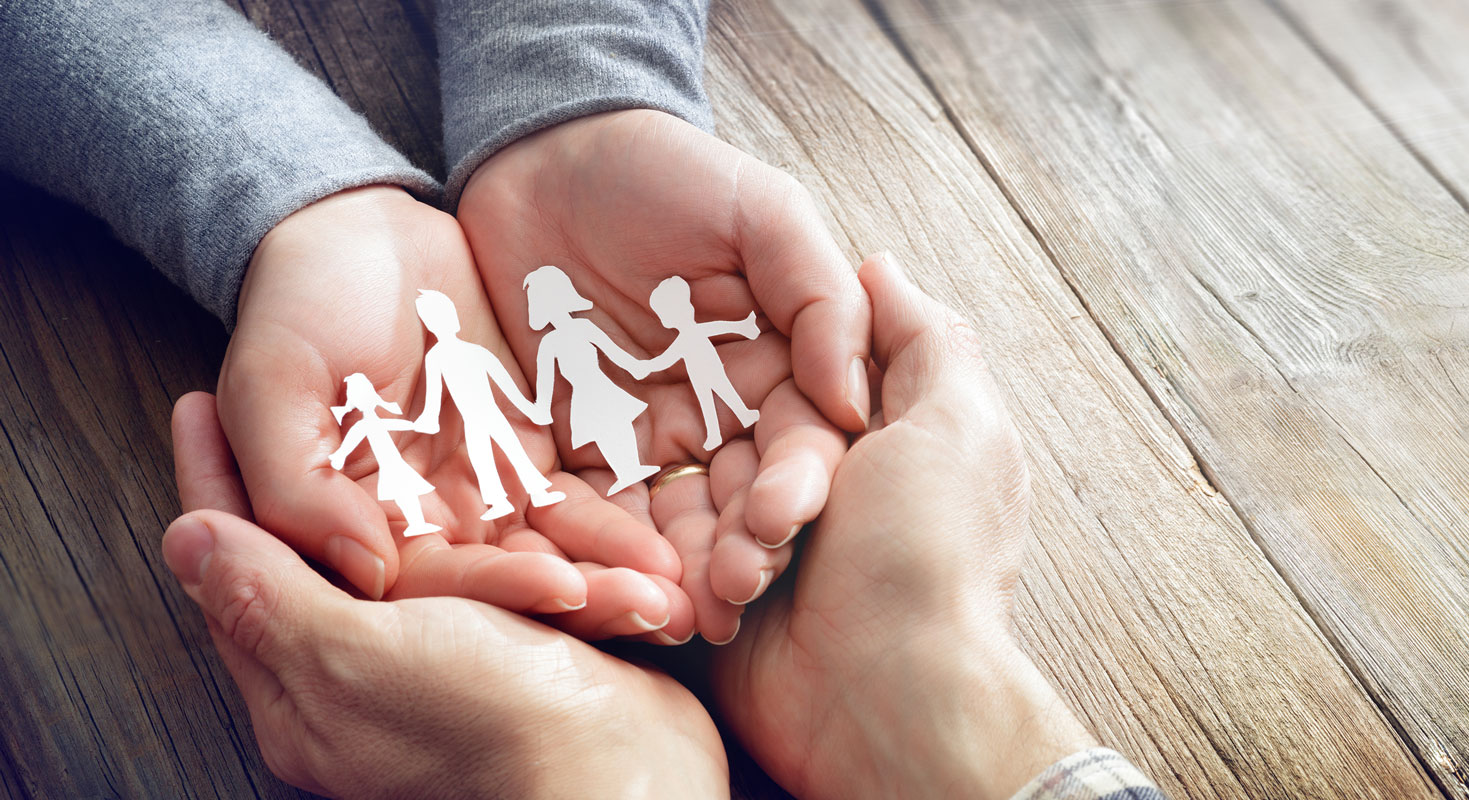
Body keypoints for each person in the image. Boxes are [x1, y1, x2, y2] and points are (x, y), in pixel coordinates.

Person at [4, 0, 1165, 795]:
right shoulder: (514, 357)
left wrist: (570, 87)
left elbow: (572, 372)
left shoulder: (551, 351)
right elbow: (540, 378)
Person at [165, 257, 1162, 799]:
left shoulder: (573, 338)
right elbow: (544, 379)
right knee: (520, 474)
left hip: (584, 435)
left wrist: (587, 763)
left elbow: (576, 367)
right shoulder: (539, 350)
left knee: (523, 477)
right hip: (563, 436)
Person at [414, 288, 570, 519]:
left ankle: (537, 491)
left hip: (490, 415)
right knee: (483, 458)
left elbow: (507, 386)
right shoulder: (437, 357)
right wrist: (427, 418)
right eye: (433, 319)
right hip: (475, 420)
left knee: (512, 452)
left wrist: (530, 409)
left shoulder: (472, 352)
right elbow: (434, 397)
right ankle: (500, 501)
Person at [524, 265, 662, 495]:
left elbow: (612, 350)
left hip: (601, 384)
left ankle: (632, 467)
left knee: (620, 422)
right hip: (583, 394)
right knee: (602, 430)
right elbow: (545, 380)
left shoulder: (585, 327)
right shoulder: (549, 343)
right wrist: (542, 407)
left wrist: (635, 366)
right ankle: (623, 471)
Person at [642, 275, 763, 452]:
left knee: (723, 391)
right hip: (698, 374)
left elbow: (666, 359)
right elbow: (666, 360)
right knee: (709, 399)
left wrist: (742, 327)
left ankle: (742, 416)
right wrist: (648, 366)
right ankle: (718, 431)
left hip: (710, 368)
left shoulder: (688, 335)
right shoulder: (685, 338)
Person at [328, 373, 443, 537]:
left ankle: (417, 524)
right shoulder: (363, 425)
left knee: (407, 494)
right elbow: (351, 442)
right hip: (391, 466)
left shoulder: (373, 422)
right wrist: (340, 455)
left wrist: (415, 426)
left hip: (395, 463)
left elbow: (396, 424)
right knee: (405, 494)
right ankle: (417, 524)